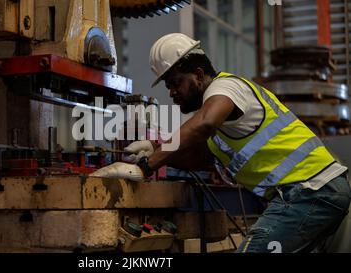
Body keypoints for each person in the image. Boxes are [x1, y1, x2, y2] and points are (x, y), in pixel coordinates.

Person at [90, 33, 351, 253]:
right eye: (168, 86)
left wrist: (147, 165)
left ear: (199, 74)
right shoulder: (220, 122)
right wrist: (155, 149)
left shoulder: (225, 88)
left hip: (311, 190)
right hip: (314, 192)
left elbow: (203, 123)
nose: (171, 93)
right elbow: (203, 158)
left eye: (175, 83)